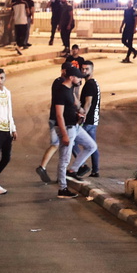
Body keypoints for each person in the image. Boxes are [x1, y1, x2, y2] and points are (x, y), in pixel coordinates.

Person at [50, 64, 97, 198]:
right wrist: (64, 135)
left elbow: (73, 106)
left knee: (91, 146)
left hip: (75, 126)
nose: (80, 79)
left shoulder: (70, 89)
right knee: (64, 159)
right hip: (66, 129)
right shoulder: (61, 92)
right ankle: (62, 189)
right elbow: (59, 115)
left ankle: (73, 171)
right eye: (78, 77)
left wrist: (79, 113)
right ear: (71, 77)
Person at [79, 60, 101, 177]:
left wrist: (83, 116)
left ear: (92, 70)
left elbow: (88, 102)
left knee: (72, 141)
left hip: (88, 121)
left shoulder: (89, 85)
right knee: (92, 146)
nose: (84, 71)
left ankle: (81, 166)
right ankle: (95, 170)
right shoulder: (94, 83)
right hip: (94, 120)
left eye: (87, 69)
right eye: (82, 69)